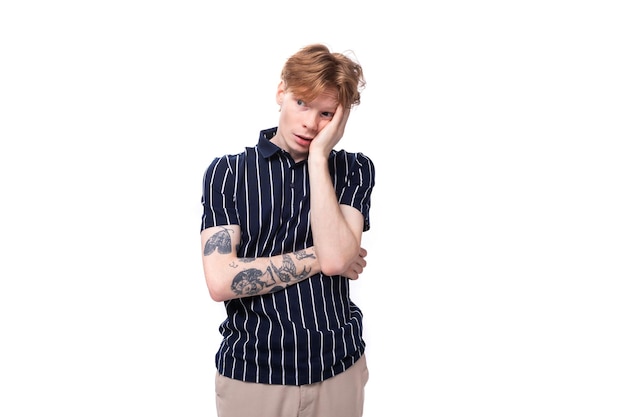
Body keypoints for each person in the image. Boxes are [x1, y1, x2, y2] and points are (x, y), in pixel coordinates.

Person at [199, 43, 375, 417]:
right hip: (253, 373)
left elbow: (340, 259)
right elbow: (220, 281)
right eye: (302, 103)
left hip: (337, 368)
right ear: (281, 92)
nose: (311, 124)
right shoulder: (228, 173)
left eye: (326, 113)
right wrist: (321, 257)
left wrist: (319, 159)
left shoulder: (355, 169)